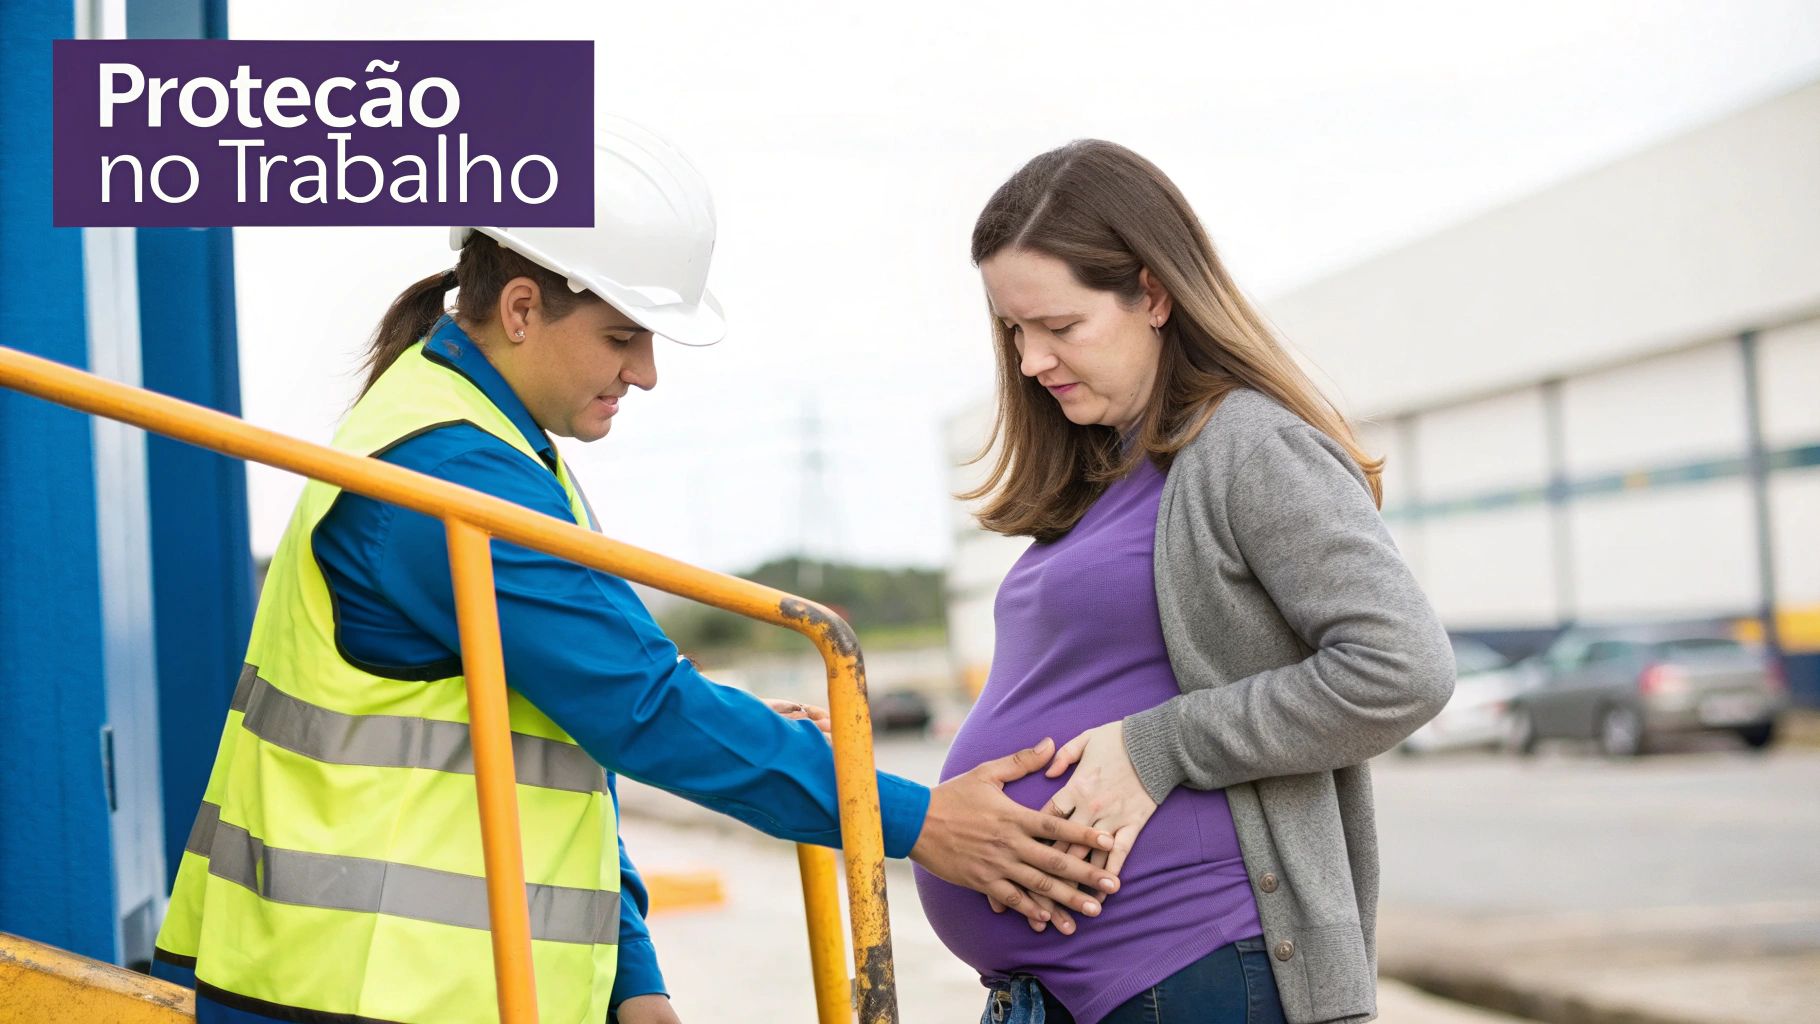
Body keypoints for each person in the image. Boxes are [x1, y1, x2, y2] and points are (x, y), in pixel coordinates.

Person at [149, 118, 1121, 1024]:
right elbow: (641, 708)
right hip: (360, 987)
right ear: (522, 307)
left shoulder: (487, 446)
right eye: (621, 336)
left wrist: (627, 973)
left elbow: (539, 739)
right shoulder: (450, 473)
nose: (645, 372)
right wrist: (912, 818)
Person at [912, 140, 1455, 1024]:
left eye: (1060, 326)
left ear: (1153, 293)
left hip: (1191, 969)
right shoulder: (1106, 475)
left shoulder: (1250, 446)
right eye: (1014, 329)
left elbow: (1403, 666)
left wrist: (1160, 745)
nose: (1029, 360)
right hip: (1069, 991)